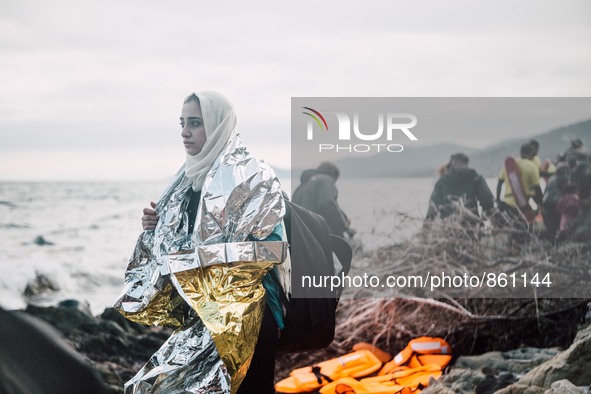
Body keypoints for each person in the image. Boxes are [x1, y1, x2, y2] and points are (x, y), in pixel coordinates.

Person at [114, 91, 289, 394]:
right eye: (182, 123)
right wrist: (155, 229)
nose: (184, 132)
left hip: (254, 315)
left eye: (195, 123)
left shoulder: (253, 175)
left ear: (218, 125)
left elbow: (273, 247)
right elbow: (184, 244)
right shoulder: (188, 180)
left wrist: (206, 259)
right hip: (207, 315)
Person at [292, 161, 356, 239]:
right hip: (315, 231)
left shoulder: (301, 186)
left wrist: (343, 216)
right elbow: (328, 202)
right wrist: (344, 226)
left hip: (299, 233)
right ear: (334, 175)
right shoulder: (326, 179)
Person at [426, 153, 494, 220]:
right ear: (467, 164)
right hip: (471, 226)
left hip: (446, 226)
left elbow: (432, 208)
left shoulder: (442, 181)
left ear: (452, 163)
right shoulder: (476, 178)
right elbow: (488, 202)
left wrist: (426, 227)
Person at [496, 143, 543, 222]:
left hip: (507, 204)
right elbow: (537, 188)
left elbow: (499, 183)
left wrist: (498, 200)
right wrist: (541, 205)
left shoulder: (508, 166)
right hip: (522, 205)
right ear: (531, 153)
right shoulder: (531, 166)